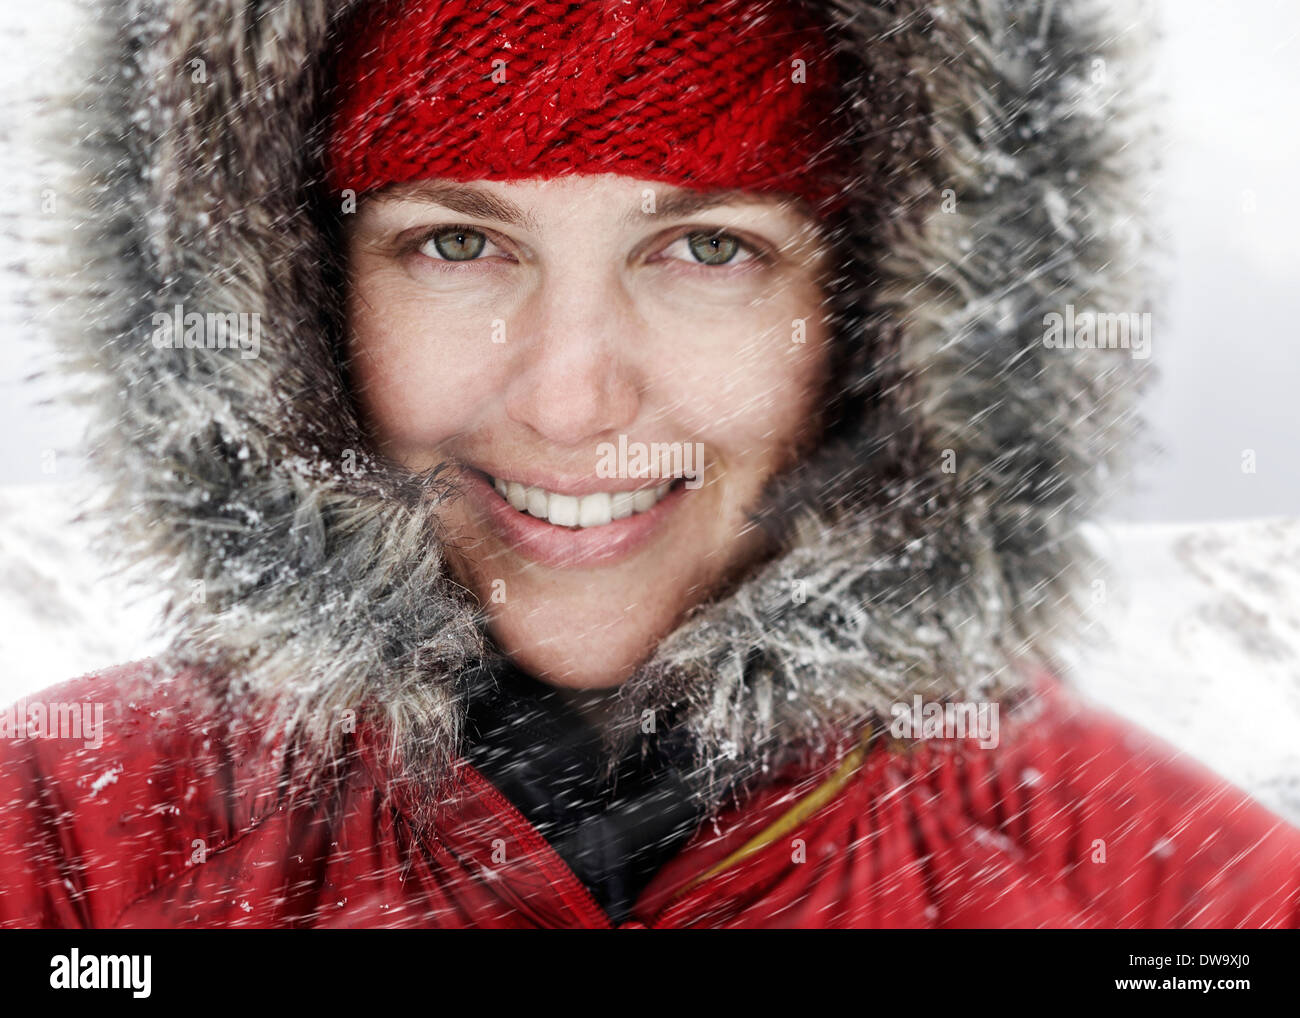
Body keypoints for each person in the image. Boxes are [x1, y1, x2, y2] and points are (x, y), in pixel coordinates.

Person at [1, 0, 1297, 929]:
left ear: (878, 325)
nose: (571, 400)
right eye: (456, 244)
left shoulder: (1189, 899)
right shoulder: (61, 849)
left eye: (710, 250)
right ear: (301, 305)